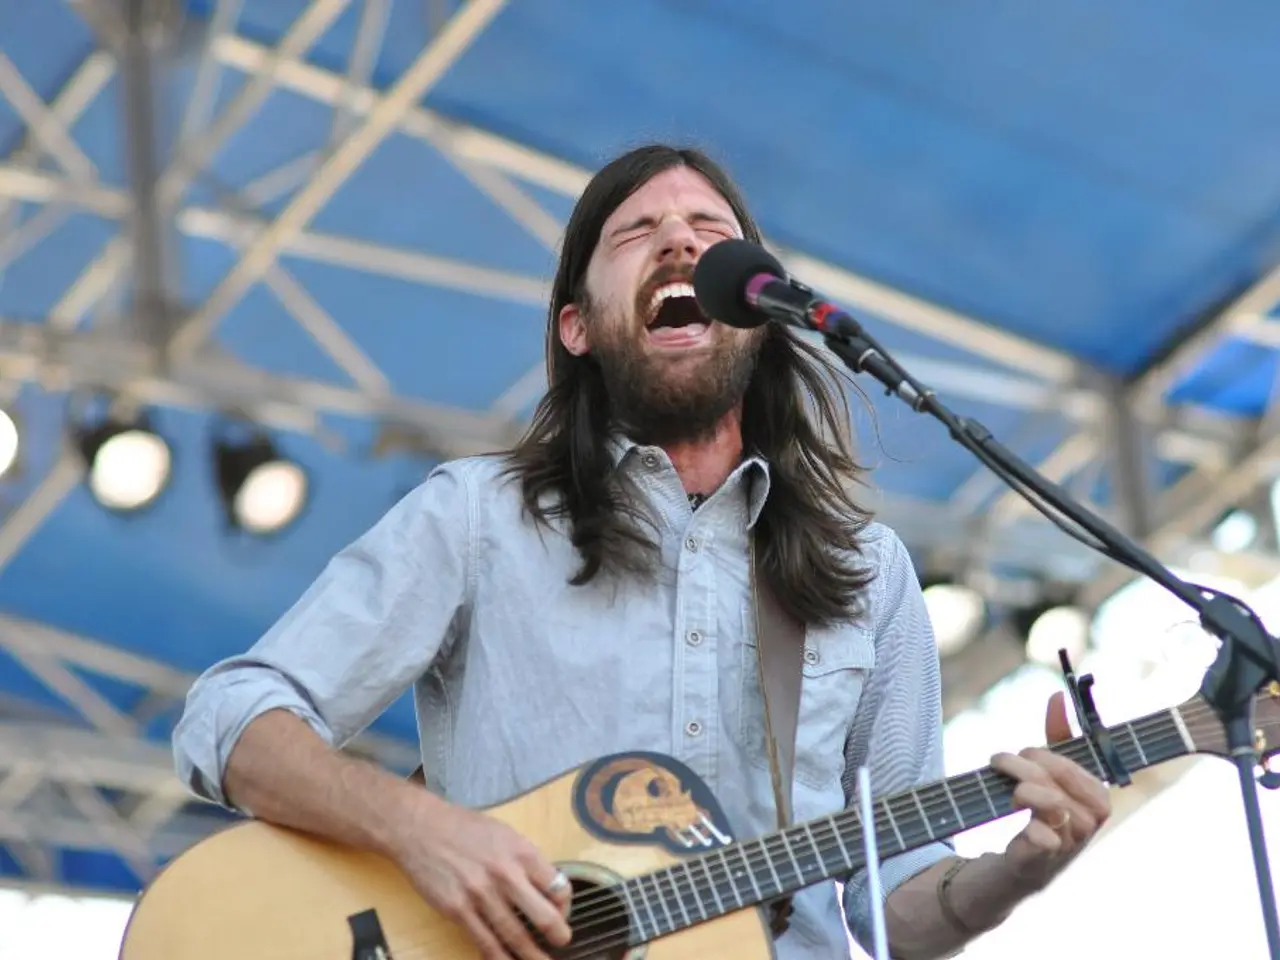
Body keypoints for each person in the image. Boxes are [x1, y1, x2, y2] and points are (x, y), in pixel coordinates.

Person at [172, 143, 1112, 960]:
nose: (681, 241)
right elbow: (230, 716)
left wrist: (1020, 869)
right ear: (577, 326)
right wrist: (421, 830)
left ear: (762, 311)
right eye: (637, 233)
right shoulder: (479, 517)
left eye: (711, 227)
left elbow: (895, 906)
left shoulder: (869, 574)